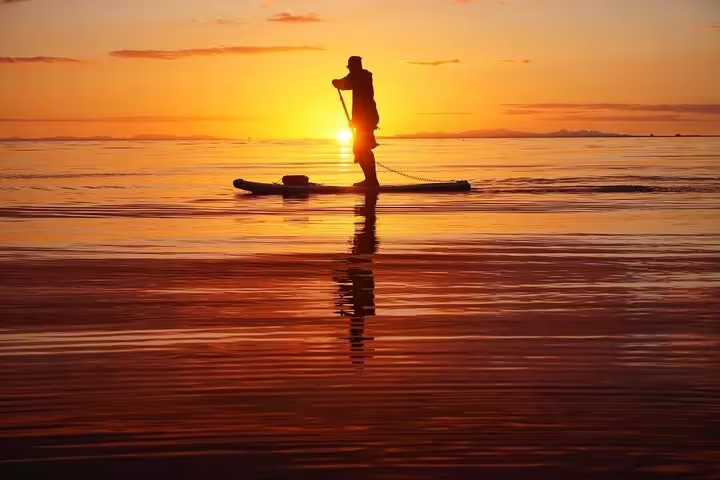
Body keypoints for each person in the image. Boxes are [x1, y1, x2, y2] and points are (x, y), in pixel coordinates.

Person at [332, 56, 380, 187]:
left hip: (367, 119)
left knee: (362, 148)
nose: (350, 70)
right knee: (360, 149)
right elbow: (348, 81)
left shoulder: (363, 77)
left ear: (356, 66)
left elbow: (348, 83)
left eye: (351, 67)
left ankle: (371, 180)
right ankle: (370, 179)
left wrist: (337, 83)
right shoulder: (358, 76)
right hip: (363, 119)